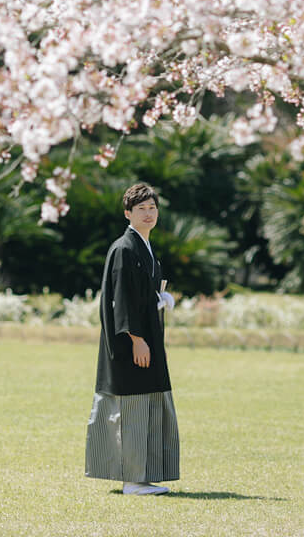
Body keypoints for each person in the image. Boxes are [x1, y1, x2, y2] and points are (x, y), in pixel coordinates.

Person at [85, 182, 179, 495]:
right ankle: (132, 480)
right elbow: (121, 300)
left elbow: (140, 294)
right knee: (131, 407)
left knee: (147, 402)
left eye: (153, 207)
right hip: (131, 345)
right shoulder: (124, 249)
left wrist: (160, 297)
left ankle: (142, 475)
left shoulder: (144, 247)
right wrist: (137, 338)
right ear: (128, 213)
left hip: (147, 341)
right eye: (141, 208)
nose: (149, 213)